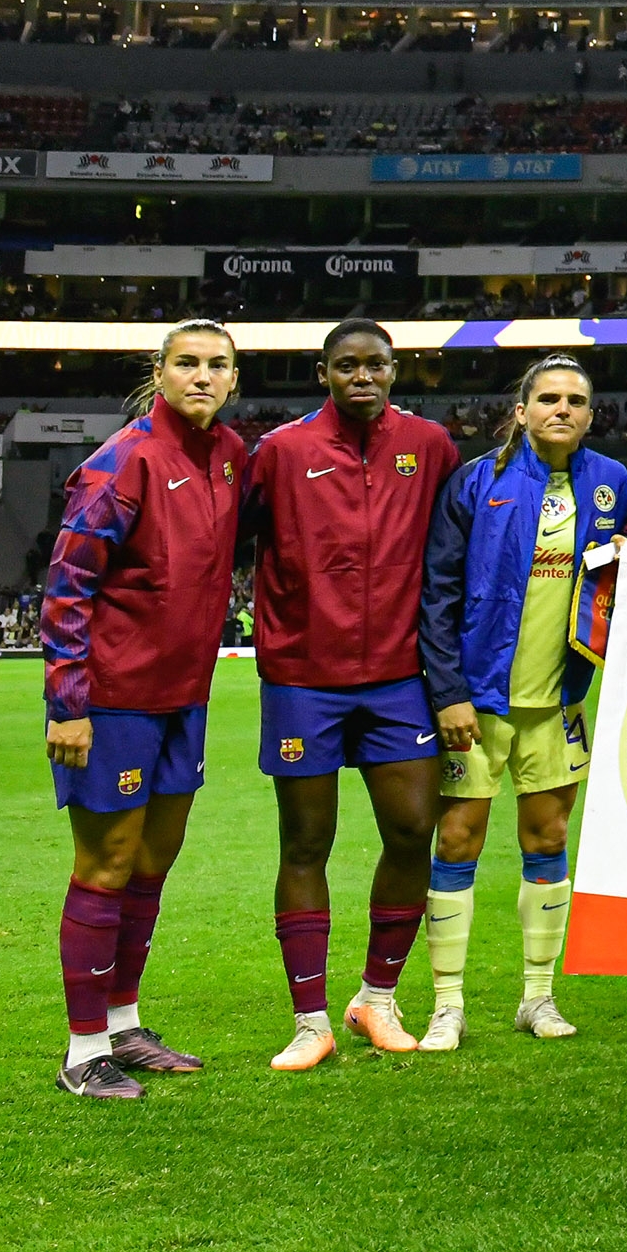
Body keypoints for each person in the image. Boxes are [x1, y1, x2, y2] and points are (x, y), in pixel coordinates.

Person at [239, 319, 461, 1072]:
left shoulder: (429, 446)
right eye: (347, 365)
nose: (362, 376)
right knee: (305, 842)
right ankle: (309, 1020)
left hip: (400, 677)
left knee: (410, 829)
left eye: (376, 364)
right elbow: (238, 542)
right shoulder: (280, 451)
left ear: (396, 371)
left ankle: (377, 997)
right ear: (322, 372)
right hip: (304, 678)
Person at [38, 319, 247, 1100]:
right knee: (107, 863)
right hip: (113, 700)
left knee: (153, 863)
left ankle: (122, 1023)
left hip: (183, 699)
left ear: (233, 377)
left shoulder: (230, 458)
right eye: (187, 363)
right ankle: (81, 1049)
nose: (202, 375)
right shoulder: (119, 462)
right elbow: (66, 585)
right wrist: (68, 703)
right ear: (158, 373)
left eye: (217, 364)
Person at [417, 356, 627, 1050]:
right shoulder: (478, 481)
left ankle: (536, 996)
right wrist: (447, 690)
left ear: (591, 415)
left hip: (557, 700)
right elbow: (439, 591)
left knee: (547, 839)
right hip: (478, 703)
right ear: (521, 409)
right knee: (458, 839)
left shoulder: (610, 484)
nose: (561, 409)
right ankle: (446, 1004)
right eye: (548, 397)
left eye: (575, 400)